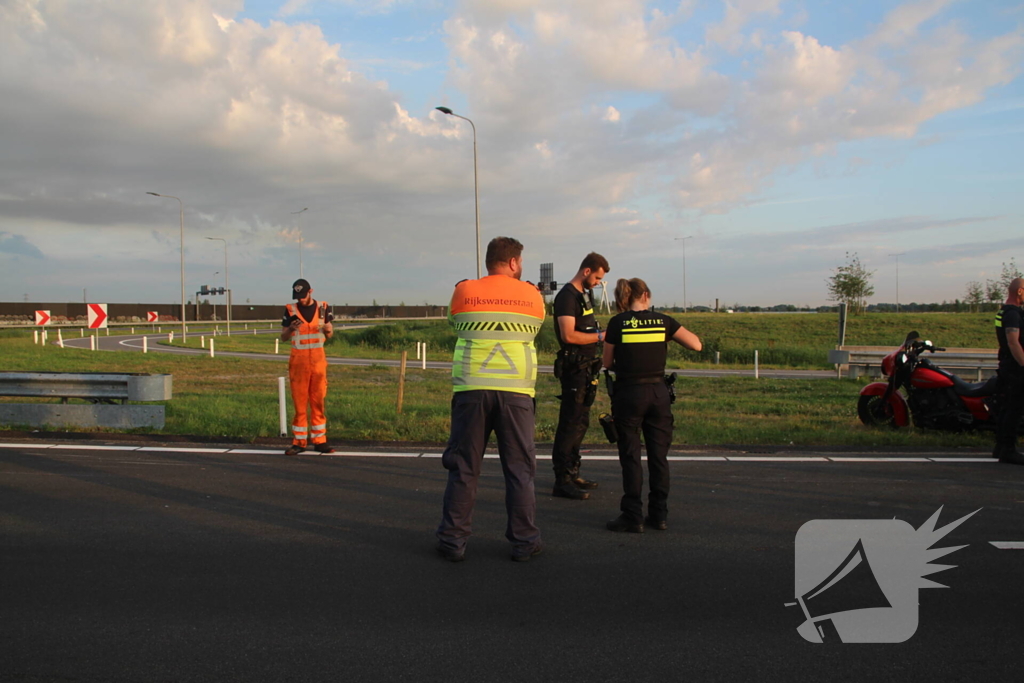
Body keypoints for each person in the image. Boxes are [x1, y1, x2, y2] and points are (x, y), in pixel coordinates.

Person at [435, 237, 546, 562]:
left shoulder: (464, 291)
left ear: (488, 261)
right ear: (513, 263)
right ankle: (525, 542)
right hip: (517, 394)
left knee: (464, 468)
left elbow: (454, 324)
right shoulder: (532, 295)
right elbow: (537, 326)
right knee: (519, 470)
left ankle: (453, 541)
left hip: (471, 390)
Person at [602, 278, 701, 533]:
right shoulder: (663, 321)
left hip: (628, 394)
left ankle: (632, 516)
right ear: (645, 295)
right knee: (659, 457)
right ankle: (659, 515)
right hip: (658, 393)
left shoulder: (617, 323)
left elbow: (607, 362)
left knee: (631, 456)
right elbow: (696, 344)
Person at [550, 252, 610, 500]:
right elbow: (568, 336)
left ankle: (573, 472)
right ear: (586, 271)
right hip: (574, 369)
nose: (598, 282)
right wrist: (601, 336)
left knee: (580, 423)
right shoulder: (566, 297)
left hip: (587, 368)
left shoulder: (585, 295)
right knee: (570, 423)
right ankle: (562, 480)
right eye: (597, 277)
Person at [281, 278, 335, 456]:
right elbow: (283, 337)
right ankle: (299, 442)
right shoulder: (291, 309)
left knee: (318, 400)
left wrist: (327, 329)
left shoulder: (322, 308)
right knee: (300, 403)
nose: (300, 300)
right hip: (299, 362)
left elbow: (329, 333)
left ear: (310, 292)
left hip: (318, 361)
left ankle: (320, 441)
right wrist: (291, 329)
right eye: (297, 297)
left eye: (303, 296)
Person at [993, 277, 1024, 465]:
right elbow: (1013, 342)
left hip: (1007, 365)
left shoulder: (1004, 312)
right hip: (1015, 368)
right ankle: (1009, 450)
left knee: (1006, 408)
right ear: (1020, 291)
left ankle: (1000, 447)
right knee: (1014, 409)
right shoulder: (1012, 314)